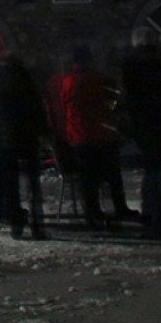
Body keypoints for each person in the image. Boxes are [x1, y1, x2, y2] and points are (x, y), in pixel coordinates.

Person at [121, 29, 161, 235]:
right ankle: (160, 211)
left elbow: (130, 99)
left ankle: (153, 213)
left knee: (152, 170)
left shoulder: (132, 68)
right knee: (160, 170)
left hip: (145, 124)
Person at [60, 46, 133, 229]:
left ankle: (92, 212)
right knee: (112, 175)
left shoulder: (68, 82)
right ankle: (119, 207)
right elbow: (113, 102)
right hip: (103, 134)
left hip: (80, 136)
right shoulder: (100, 79)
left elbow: (65, 106)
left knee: (88, 179)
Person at [0, 50, 48, 238]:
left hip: (7, 139)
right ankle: (37, 223)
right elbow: (37, 109)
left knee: (11, 184)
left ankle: (16, 224)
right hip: (28, 137)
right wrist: (43, 132)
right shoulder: (27, 82)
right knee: (32, 183)